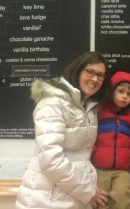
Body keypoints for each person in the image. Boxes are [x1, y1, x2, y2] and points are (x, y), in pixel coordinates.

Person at [15, 52, 112, 209]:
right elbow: (51, 160)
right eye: (90, 72)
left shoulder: (89, 107)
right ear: (78, 70)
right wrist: (88, 191)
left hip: (72, 197)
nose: (95, 79)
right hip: (47, 200)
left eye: (100, 75)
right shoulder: (52, 104)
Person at [91, 71, 130, 209]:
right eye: (120, 91)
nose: (124, 96)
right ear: (111, 91)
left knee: (122, 198)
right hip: (99, 169)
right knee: (100, 202)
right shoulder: (99, 112)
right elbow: (90, 138)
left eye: (129, 94)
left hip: (122, 171)